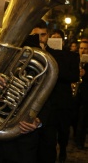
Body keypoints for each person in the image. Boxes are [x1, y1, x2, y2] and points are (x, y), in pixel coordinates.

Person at [28, 20, 80, 163]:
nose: (40, 39)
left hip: (58, 105)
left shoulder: (64, 55)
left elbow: (73, 76)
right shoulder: (26, 55)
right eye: (35, 36)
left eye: (43, 35)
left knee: (55, 140)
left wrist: (47, 58)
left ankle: (62, 150)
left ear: (48, 36)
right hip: (34, 108)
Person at [74, 41, 88, 149]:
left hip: (85, 96)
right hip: (75, 95)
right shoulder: (74, 60)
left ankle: (80, 141)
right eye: (81, 48)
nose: (82, 50)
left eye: (85, 48)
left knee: (83, 120)